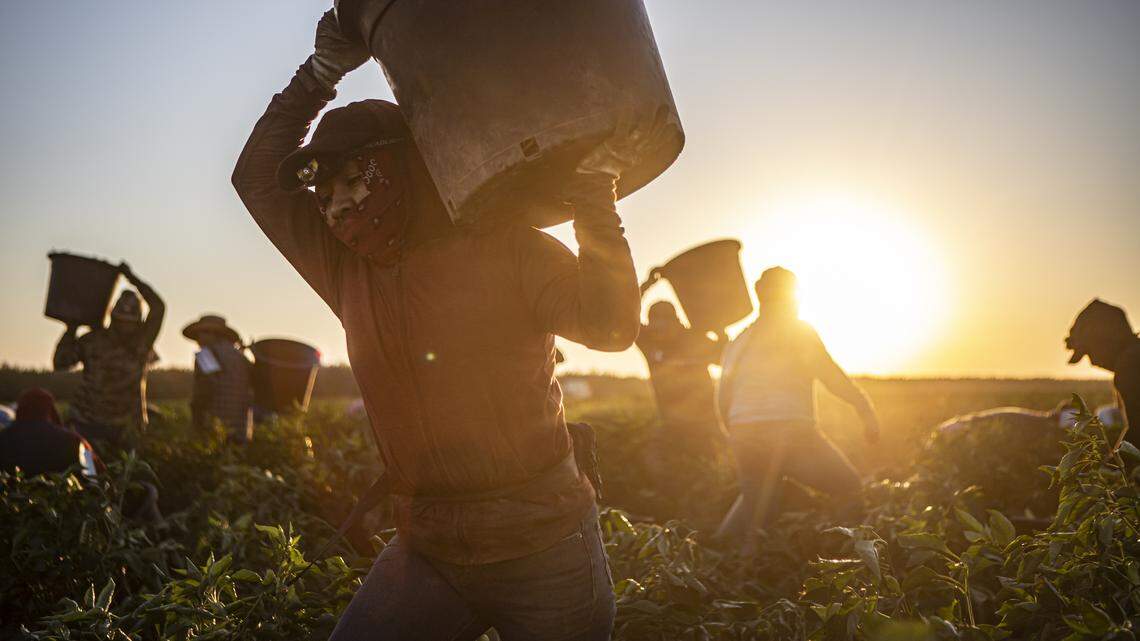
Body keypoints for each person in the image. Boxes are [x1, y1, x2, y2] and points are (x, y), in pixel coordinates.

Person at [232, 11, 646, 640]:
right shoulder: (349, 270)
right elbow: (258, 177)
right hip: (429, 552)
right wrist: (319, 75)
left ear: (403, 165)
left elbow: (610, 326)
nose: (337, 205)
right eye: (324, 196)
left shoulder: (509, 247)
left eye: (352, 180)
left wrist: (593, 199)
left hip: (546, 550)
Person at [713, 267, 880, 554]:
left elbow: (723, 395)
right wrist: (864, 407)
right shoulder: (798, 331)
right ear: (792, 295)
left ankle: (716, 550)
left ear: (759, 293)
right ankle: (841, 555)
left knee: (758, 499)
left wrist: (737, 434)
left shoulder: (739, 340)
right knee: (849, 485)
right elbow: (831, 377)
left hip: (742, 430)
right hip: (790, 428)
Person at [53, 263, 165, 447]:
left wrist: (132, 277)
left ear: (138, 323)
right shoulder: (93, 340)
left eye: (130, 323)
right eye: (122, 322)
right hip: (86, 423)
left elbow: (158, 307)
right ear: (113, 318)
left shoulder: (141, 343)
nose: (125, 328)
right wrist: (71, 329)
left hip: (126, 426)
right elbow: (61, 363)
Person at [636, 269, 726, 459]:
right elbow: (625, 315)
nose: (661, 325)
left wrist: (720, 330)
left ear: (678, 321)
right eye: (655, 320)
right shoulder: (648, 341)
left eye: (666, 319)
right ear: (649, 323)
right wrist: (645, 286)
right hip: (671, 427)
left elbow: (725, 357)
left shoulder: (692, 339)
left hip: (708, 427)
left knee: (711, 475)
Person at [1066, 299, 1140, 445]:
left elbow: (1137, 433)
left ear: (1104, 341)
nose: (1093, 363)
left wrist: (1110, 466)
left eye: (1089, 352)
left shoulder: (1129, 367)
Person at [182, 314, 254, 442]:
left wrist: (198, 420)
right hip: (241, 428)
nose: (198, 340)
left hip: (215, 427)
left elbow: (207, 386)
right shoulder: (241, 357)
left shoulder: (205, 354)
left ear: (212, 333)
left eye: (200, 334)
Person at [0, 388, 98, 477]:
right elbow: (94, 476)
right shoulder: (76, 441)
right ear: (51, 411)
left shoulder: (3, 438)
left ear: (19, 409)